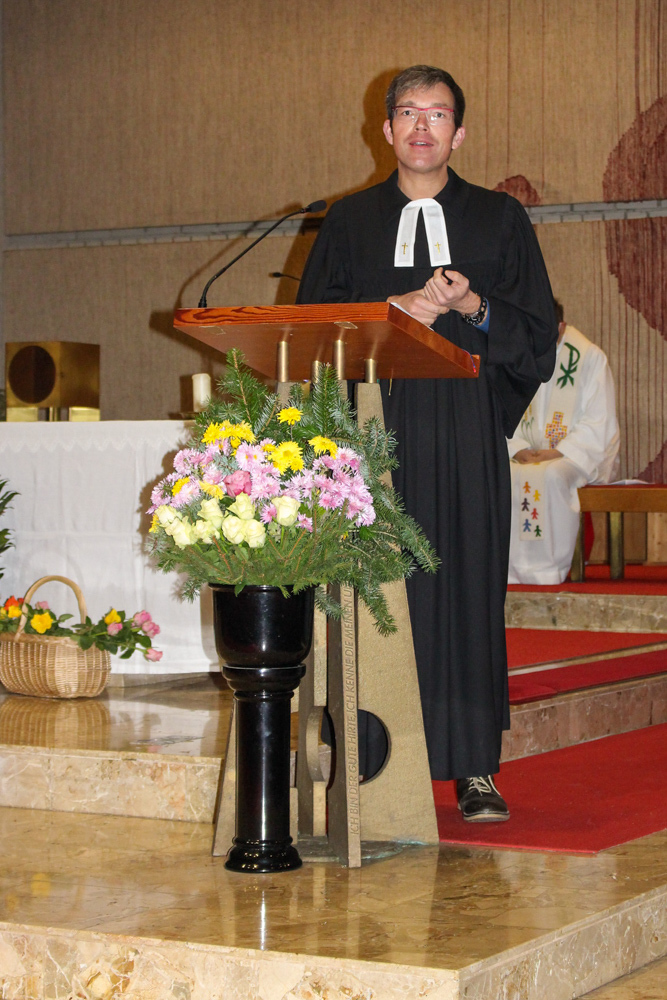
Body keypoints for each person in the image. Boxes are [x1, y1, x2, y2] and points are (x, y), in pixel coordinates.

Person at [297, 65, 557, 822]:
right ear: (385, 129)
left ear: (459, 133)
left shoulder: (500, 218)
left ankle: (473, 767)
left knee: (467, 587)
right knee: (375, 596)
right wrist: (394, 309)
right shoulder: (346, 221)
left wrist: (472, 304)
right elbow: (313, 327)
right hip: (372, 430)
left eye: (437, 115)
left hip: (465, 427)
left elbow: (536, 337)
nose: (421, 127)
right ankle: (369, 760)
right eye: (408, 113)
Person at [507, 300, 620, 585]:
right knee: (505, 474)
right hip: (525, 454)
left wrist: (557, 452)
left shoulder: (589, 358)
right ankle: (511, 570)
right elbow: (502, 411)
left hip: (571, 455)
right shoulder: (515, 358)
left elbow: (599, 419)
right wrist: (518, 448)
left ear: (561, 327)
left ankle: (549, 569)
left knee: (553, 476)